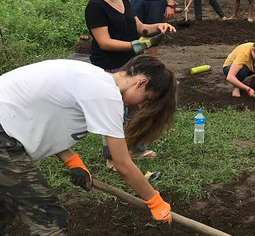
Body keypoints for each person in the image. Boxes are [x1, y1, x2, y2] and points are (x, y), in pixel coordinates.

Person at [0, 55, 176, 235]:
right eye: (145, 100)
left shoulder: (93, 79)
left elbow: (48, 120)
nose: (139, 107)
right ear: (141, 82)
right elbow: (123, 165)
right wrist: (154, 201)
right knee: (49, 219)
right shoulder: (106, 94)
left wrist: (71, 160)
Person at [85, 0, 176, 167]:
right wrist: (134, 46)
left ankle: (135, 148)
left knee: (139, 107)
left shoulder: (123, 0)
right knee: (115, 113)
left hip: (130, 65)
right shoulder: (95, 6)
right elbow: (104, 42)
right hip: (108, 67)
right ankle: (112, 157)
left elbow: (140, 27)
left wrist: (157, 27)